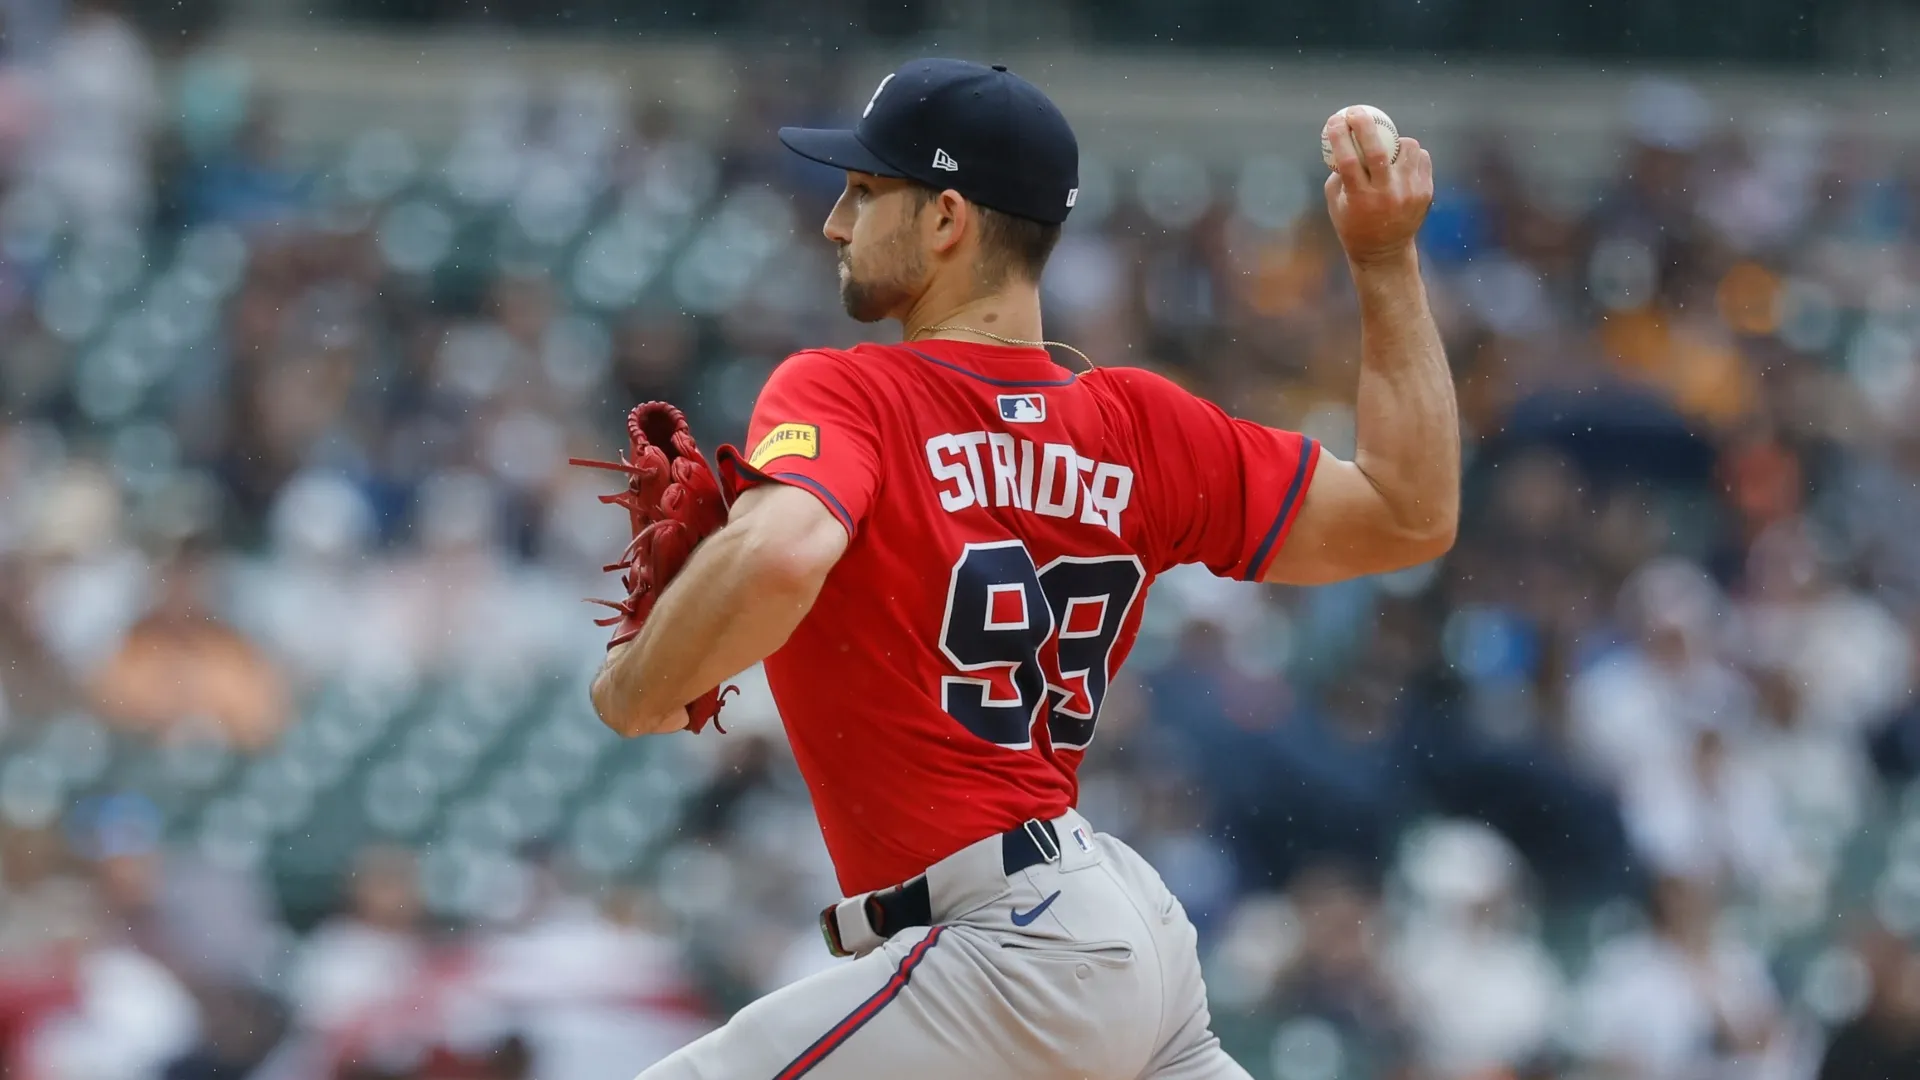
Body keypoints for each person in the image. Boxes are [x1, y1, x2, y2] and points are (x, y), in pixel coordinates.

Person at [590, 58, 1454, 1080]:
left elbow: (780, 553)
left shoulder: (849, 393)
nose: (835, 222)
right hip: (1116, 932)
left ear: (947, 218)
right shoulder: (1139, 426)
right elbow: (1409, 515)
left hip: (1005, 950)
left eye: (867, 193)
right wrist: (1388, 257)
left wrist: (636, 686)